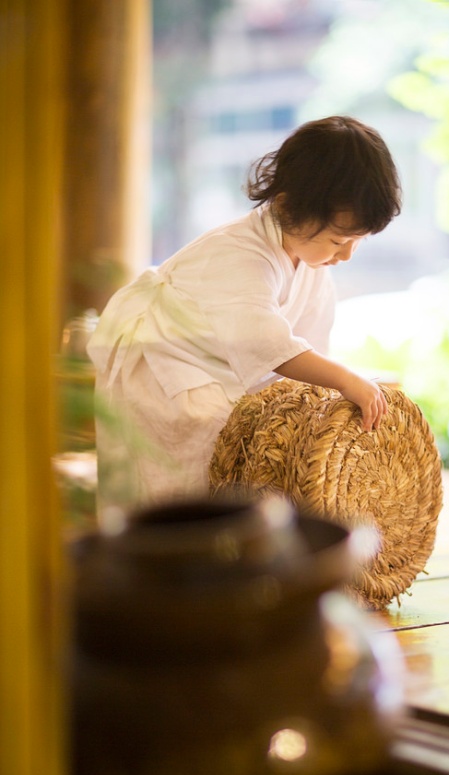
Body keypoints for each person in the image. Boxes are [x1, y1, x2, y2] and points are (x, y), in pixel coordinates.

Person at [87, 115, 402, 512]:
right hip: (163, 365)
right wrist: (346, 379)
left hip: (221, 365)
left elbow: (306, 347)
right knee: (189, 461)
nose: (346, 255)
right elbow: (268, 343)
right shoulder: (239, 253)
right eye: (339, 239)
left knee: (261, 451)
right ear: (288, 207)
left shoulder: (312, 264)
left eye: (358, 242)